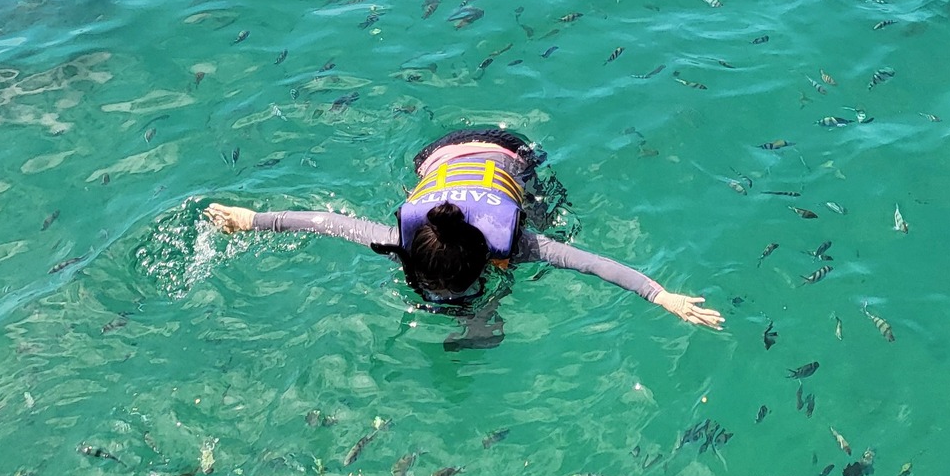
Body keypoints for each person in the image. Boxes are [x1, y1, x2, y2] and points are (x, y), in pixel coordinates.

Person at [204, 128, 723, 340]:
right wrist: (252, 220)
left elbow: (593, 264)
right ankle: (482, 317)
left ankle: (482, 317)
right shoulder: (409, 237)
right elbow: (324, 222)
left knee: (545, 218)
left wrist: (662, 296)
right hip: (444, 153)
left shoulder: (517, 245)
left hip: (505, 153)